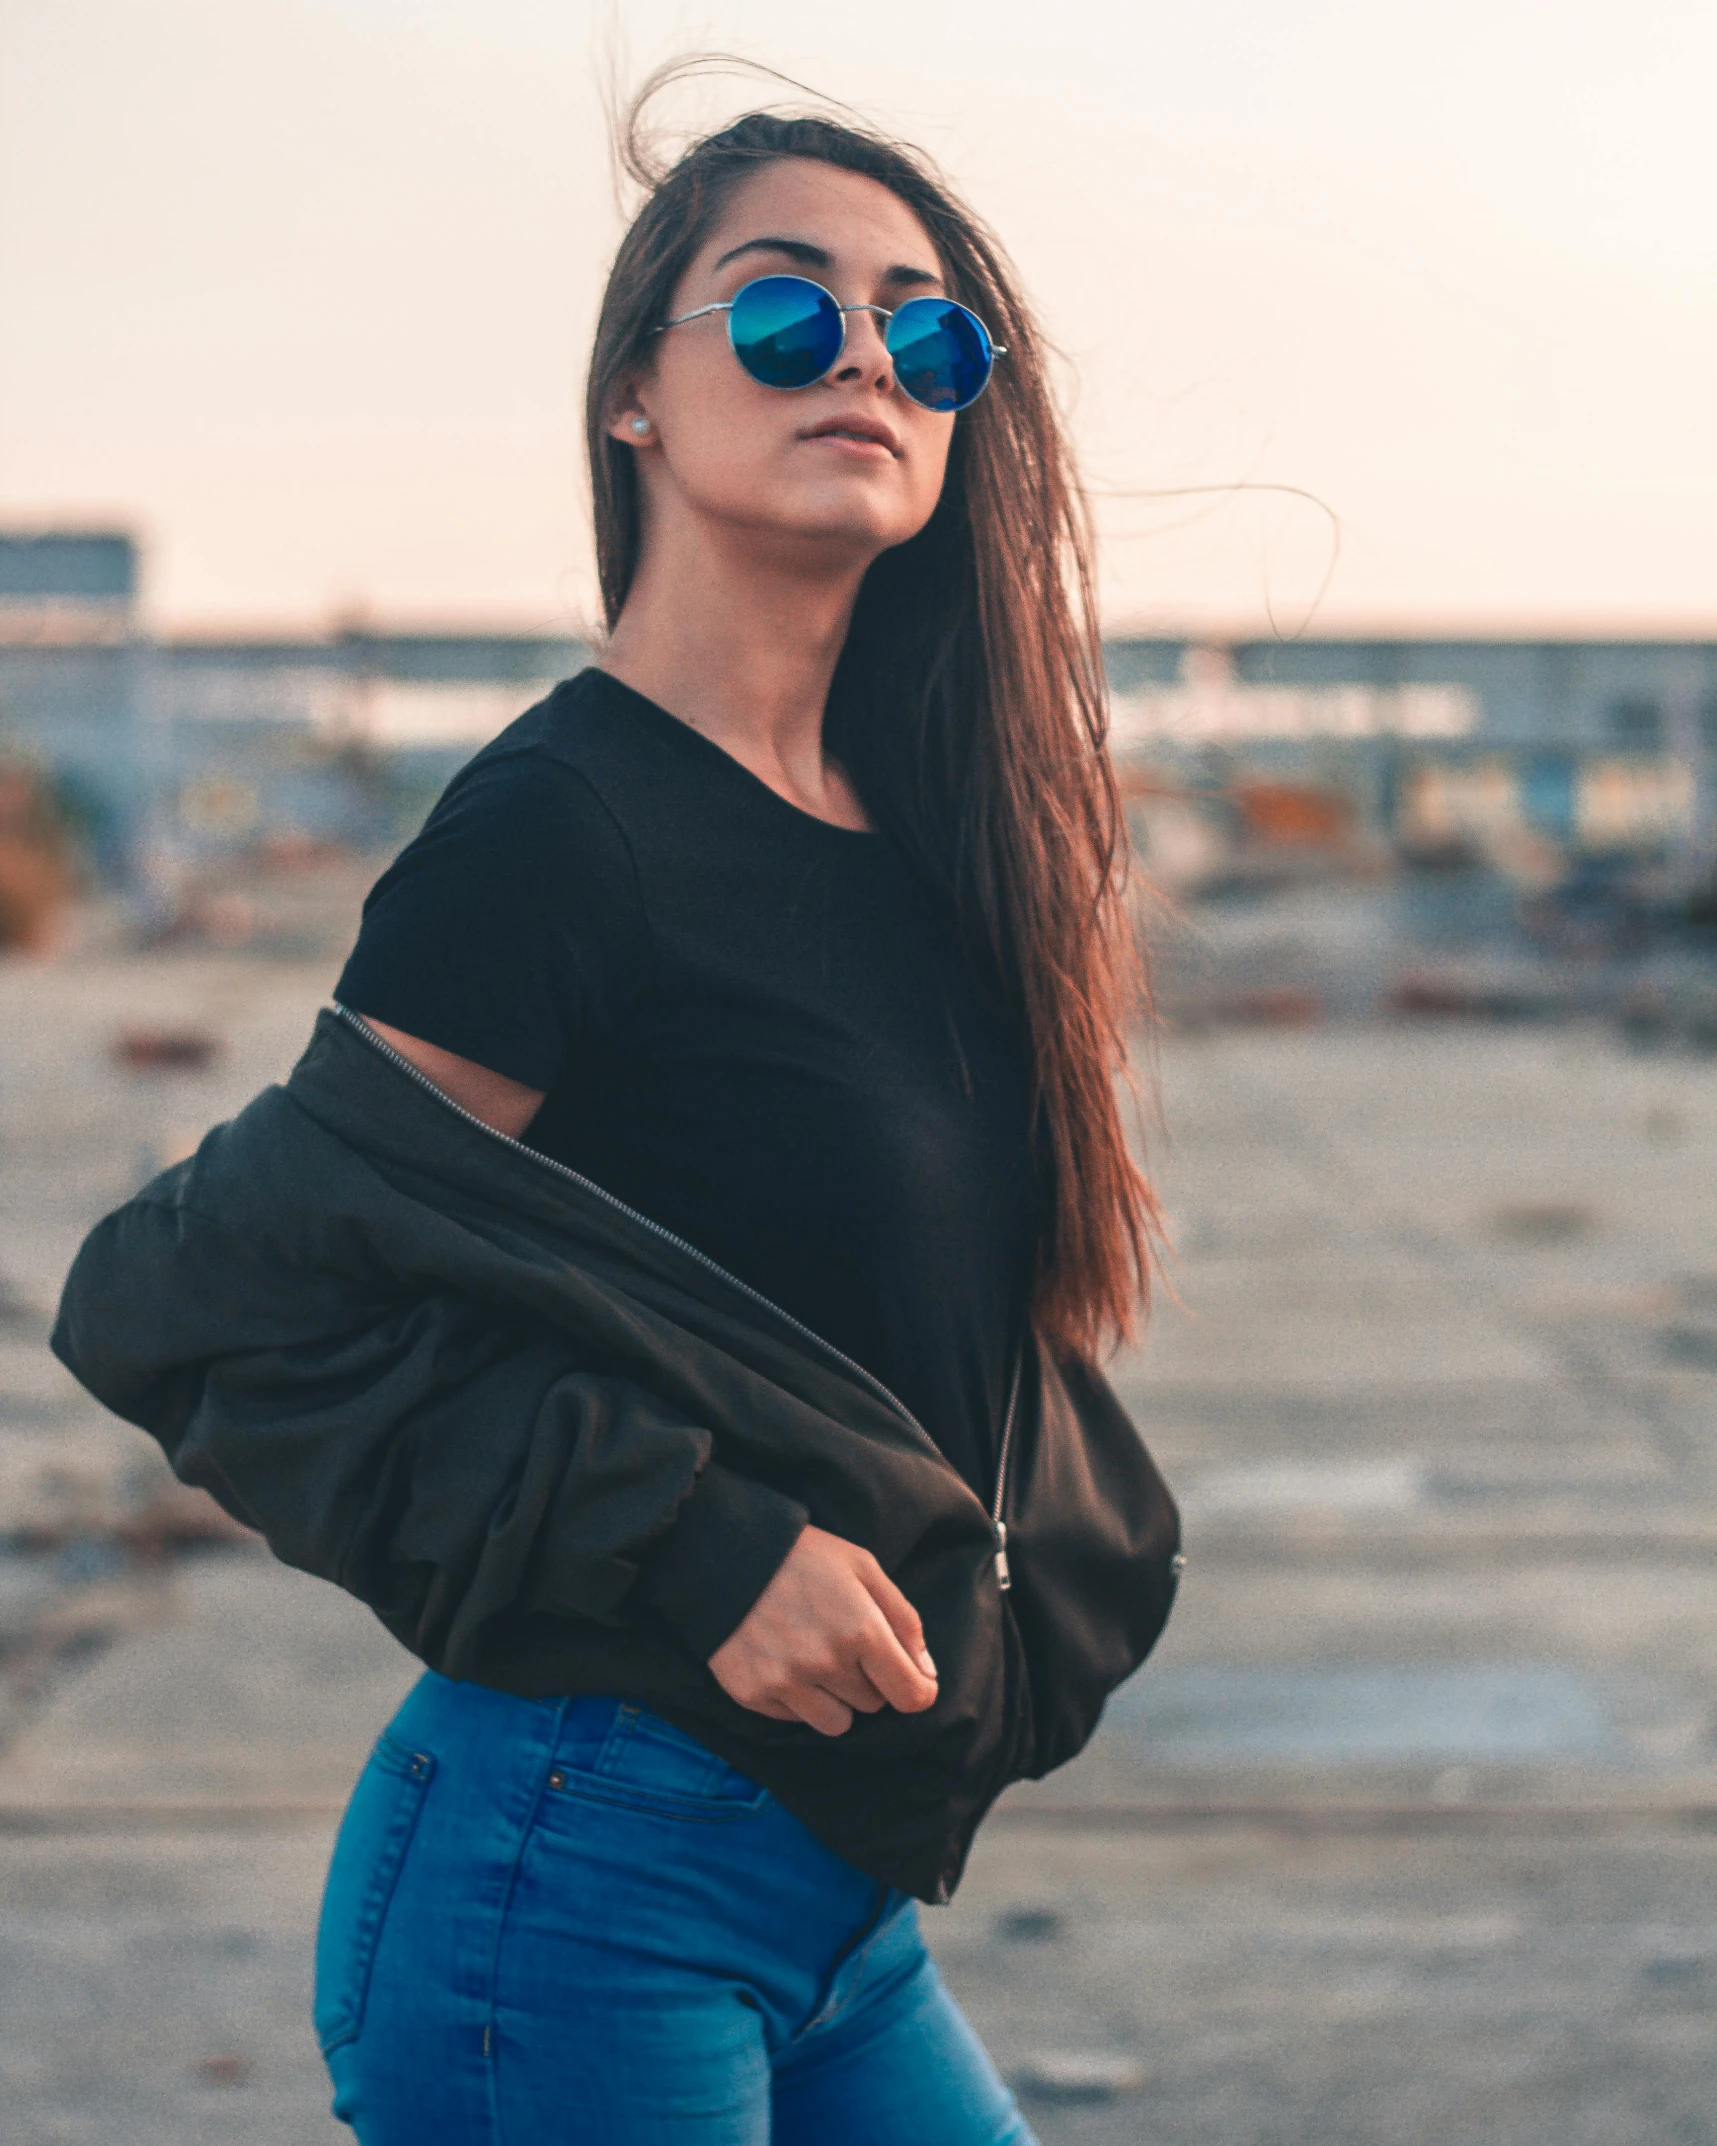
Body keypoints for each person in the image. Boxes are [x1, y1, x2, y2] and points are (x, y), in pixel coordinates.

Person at [51, 78, 1181, 2146]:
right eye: (781, 312)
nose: (864, 354)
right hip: (569, 1897)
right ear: (634, 399)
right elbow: (190, 1303)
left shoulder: (933, 837)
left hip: (833, 1912)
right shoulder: (562, 836)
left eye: (929, 334)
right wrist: (698, 1538)